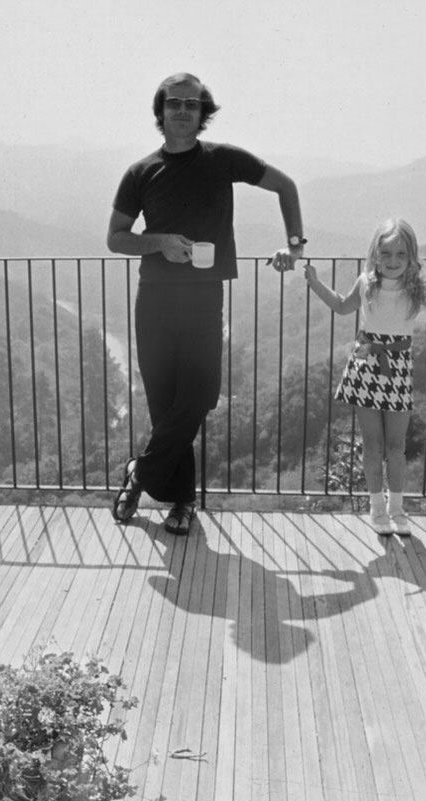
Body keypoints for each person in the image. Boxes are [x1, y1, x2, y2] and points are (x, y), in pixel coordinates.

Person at [107, 72, 306, 535]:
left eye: (191, 104)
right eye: (173, 102)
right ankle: (182, 502)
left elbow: (286, 186)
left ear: (203, 113)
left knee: (200, 394)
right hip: (153, 300)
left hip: (203, 297)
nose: (181, 110)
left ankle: (140, 472)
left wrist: (295, 246)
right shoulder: (140, 172)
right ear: (161, 111)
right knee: (165, 405)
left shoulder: (222, 160)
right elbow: (116, 238)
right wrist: (158, 243)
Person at [304, 217, 426, 536]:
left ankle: (397, 509)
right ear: (375, 255)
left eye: (400, 254)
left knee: (396, 445)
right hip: (366, 364)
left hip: (398, 369)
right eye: (386, 254)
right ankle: (378, 510)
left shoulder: (415, 287)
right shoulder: (366, 282)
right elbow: (341, 306)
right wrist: (315, 282)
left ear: (411, 257)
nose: (392, 261)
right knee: (373, 444)